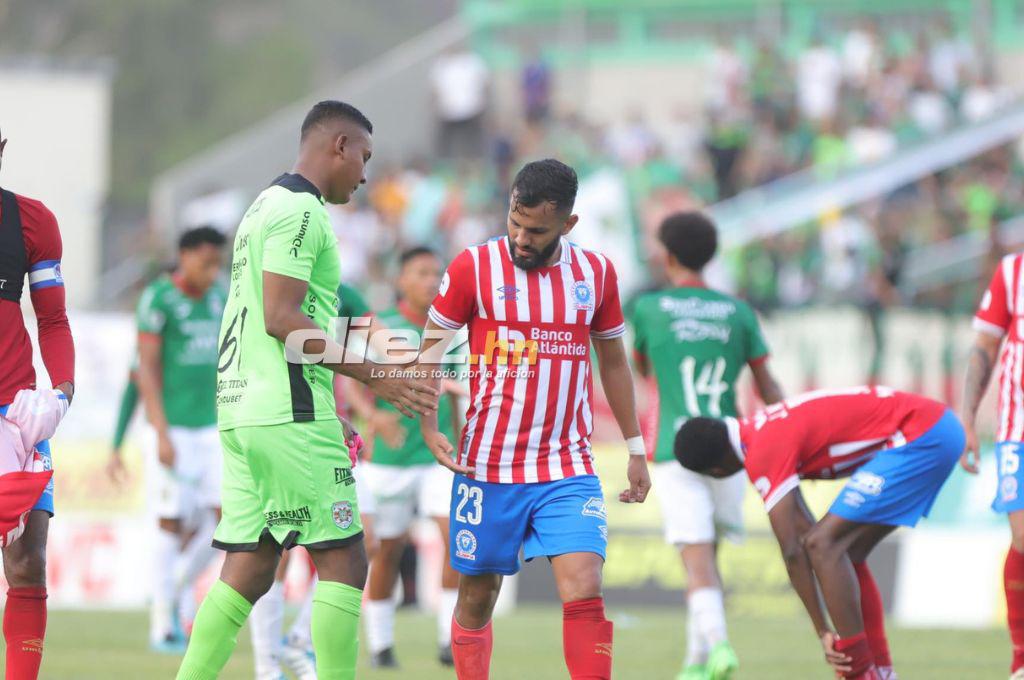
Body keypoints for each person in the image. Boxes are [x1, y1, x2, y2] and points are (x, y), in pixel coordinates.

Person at [174, 100, 437, 680]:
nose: (365, 175)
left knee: (250, 565)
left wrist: (323, 404)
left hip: (247, 410)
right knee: (344, 560)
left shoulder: (263, 205)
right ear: (338, 146)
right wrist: (378, 374)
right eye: (364, 157)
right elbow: (281, 318)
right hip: (284, 413)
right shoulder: (300, 210)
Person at [418, 159, 652, 680]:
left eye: (537, 231)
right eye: (515, 223)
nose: (521, 239)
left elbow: (613, 363)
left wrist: (635, 447)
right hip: (487, 465)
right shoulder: (473, 266)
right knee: (478, 595)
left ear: (568, 223)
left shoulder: (596, 273)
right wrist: (429, 426)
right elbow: (429, 351)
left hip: (567, 465)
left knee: (585, 585)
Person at [675, 385, 964, 680]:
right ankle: (880, 671)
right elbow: (802, 533)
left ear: (716, 472)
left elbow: (793, 551)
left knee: (824, 545)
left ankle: (860, 671)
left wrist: (822, 630)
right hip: (936, 427)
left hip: (922, 435)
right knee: (841, 552)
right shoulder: (759, 429)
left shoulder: (761, 451)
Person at [630, 211, 783, 680]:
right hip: (730, 449)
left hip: (676, 447)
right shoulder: (738, 312)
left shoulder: (650, 308)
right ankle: (694, 663)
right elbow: (767, 385)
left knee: (696, 560)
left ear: (668, 256)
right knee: (708, 557)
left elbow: (641, 368)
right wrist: (790, 434)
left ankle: (718, 647)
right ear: (711, 256)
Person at [112, 226, 228, 651]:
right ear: (185, 256)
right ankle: (162, 624)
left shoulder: (220, 298)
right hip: (173, 428)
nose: (212, 271)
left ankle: (176, 586)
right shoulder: (158, 299)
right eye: (206, 263)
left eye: (217, 263)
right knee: (170, 521)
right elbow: (142, 372)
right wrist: (159, 433)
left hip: (215, 428)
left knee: (231, 519)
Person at [362, 247, 462, 669]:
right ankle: (381, 645)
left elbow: (454, 389)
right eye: (421, 272)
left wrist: (463, 437)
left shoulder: (453, 330)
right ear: (400, 280)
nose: (431, 281)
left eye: (436, 273)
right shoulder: (379, 326)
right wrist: (371, 417)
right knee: (387, 551)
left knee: (457, 540)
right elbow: (346, 380)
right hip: (392, 458)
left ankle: (449, 642)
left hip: (440, 455)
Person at [0, 127, 76, 680]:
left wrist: (63, 393)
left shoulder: (30, 221)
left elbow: (53, 319)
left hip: (16, 415)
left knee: (28, 562)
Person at [961, 252, 1024, 680]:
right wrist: (967, 418)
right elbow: (984, 347)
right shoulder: (1013, 271)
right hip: (1018, 428)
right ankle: (1021, 657)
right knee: (1022, 536)